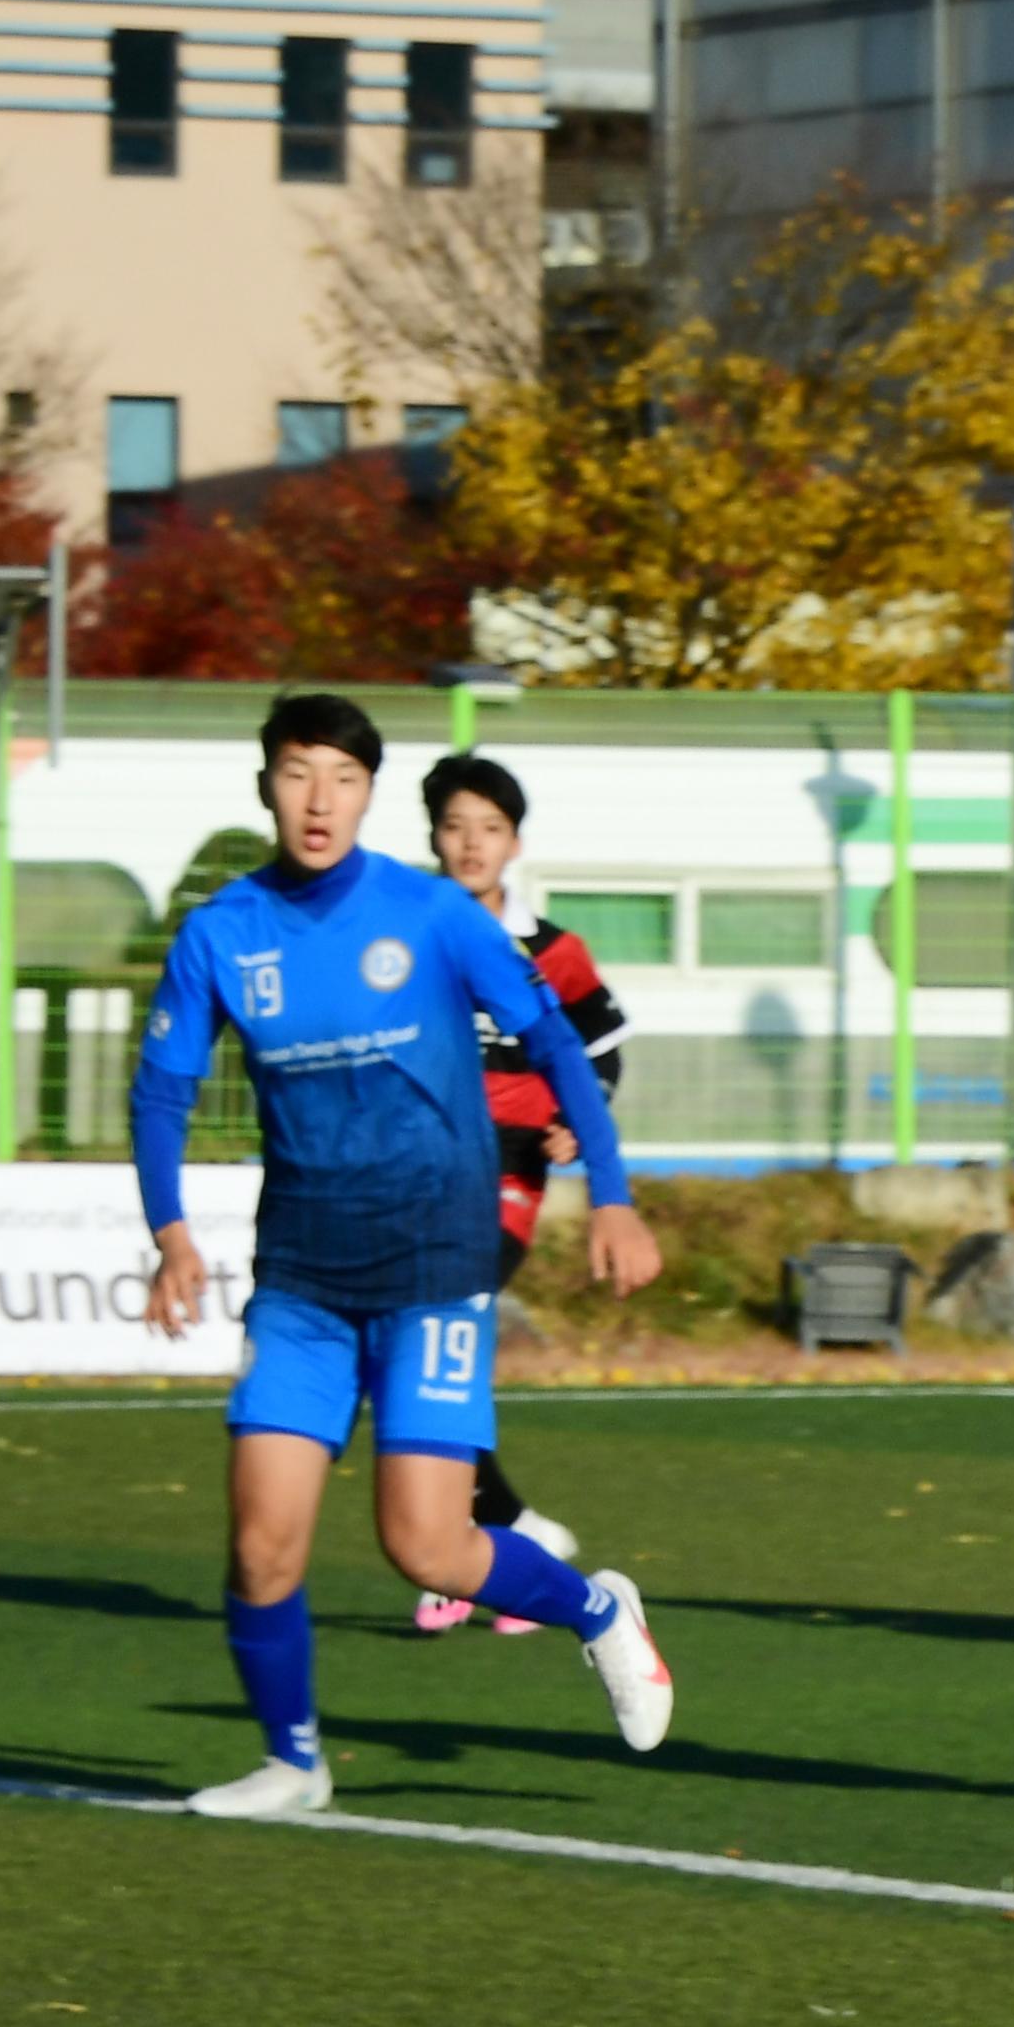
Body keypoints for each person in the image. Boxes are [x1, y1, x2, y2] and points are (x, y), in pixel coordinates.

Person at [131, 692, 676, 1813]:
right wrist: (170, 1232)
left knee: (427, 1549)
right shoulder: (222, 931)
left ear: (369, 793)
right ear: (266, 786)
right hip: (302, 1282)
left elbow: (560, 1048)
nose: (318, 798)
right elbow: (161, 1087)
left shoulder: (432, 914)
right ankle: (294, 1762)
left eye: (341, 776)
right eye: (296, 773)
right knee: (261, 1548)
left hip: (432, 1263)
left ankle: (598, 1610)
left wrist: (613, 1197)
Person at [405, 750, 632, 1636]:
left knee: (434, 1326)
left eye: (489, 829)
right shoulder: (406, 935)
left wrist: (586, 1120)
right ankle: (496, 1533)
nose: (471, 844)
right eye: (456, 827)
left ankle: (482, 1539)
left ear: (514, 842)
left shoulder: (552, 949)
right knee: (409, 1350)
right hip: (415, 1174)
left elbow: (601, 1051)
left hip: (506, 1174)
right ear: (434, 835)